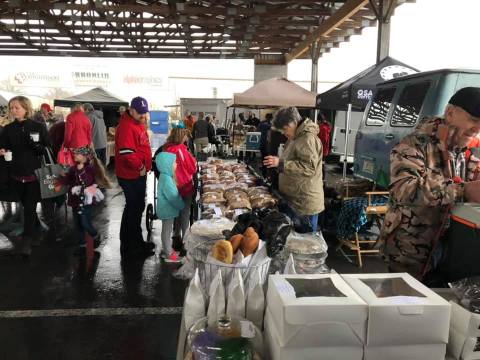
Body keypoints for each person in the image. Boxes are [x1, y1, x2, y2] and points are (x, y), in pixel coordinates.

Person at [381, 87, 480, 280]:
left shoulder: (472, 150)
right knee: (407, 307)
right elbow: (404, 190)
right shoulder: (413, 145)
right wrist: (464, 190)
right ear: (450, 114)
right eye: (473, 120)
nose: (477, 129)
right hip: (410, 251)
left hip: (457, 250)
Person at [0, 96, 50, 257]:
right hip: (16, 174)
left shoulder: (39, 126)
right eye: (11, 108)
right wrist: (2, 151)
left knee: (29, 208)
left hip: (34, 174)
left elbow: (48, 149)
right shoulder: (7, 129)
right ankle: (37, 232)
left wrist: (35, 145)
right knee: (27, 207)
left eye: (17, 107)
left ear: (26, 108)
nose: (13, 110)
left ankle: (27, 242)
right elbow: (3, 147)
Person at [263, 106, 324, 232]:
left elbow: (309, 168)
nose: (284, 133)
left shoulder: (307, 139)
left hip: (304, 203)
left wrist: (281, 164)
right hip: (294, 199)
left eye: (285, 129)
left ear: (293, 123)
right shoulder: (295, 137)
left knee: (305, 242)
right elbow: (293, 160)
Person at [115, 96, 155, 258]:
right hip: (131, 174)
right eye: (140, 113)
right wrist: (140, 166)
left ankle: (136, 242)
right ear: (131, 110)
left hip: (137, 173)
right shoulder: (126, 126)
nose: (143, 116)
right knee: (133, 209)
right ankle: (129, 246)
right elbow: (126, 153)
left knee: (136, 208)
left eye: (145, 113)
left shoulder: (137, 123)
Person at [60, 146, 111, 256]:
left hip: (85, 201)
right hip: (74, 200)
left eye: (78, 154)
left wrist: (81, 170)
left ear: (85, 157)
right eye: (75, 153)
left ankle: (95, 235)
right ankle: (82, 246)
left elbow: (88, 182)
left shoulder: (90, 169)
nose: (75, 155)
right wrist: (63, 178)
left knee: (84, 222)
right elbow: (69, 180)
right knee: (77, 224)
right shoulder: (73, 168)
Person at [163, 127, 197, 251]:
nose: (187, 139)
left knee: (174, 213)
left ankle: (175, 235)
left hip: (170, 187)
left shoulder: (166, 149)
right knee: (184, 213)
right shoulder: (181, 150)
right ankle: (185, 240)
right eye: (186, 136)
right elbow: (192, 168)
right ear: (182, 137)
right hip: (183, 187)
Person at [155, 152, 185, 263]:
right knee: (166, 231)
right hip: (167, 210)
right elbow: (172, 197)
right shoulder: (167, 179)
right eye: (174, 163)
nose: (176, 164)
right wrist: (181, 204)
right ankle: (168, 253)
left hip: (166, 210)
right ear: (167, 165)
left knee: (166, 231)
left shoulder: (165, 176)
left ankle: (168, 250)